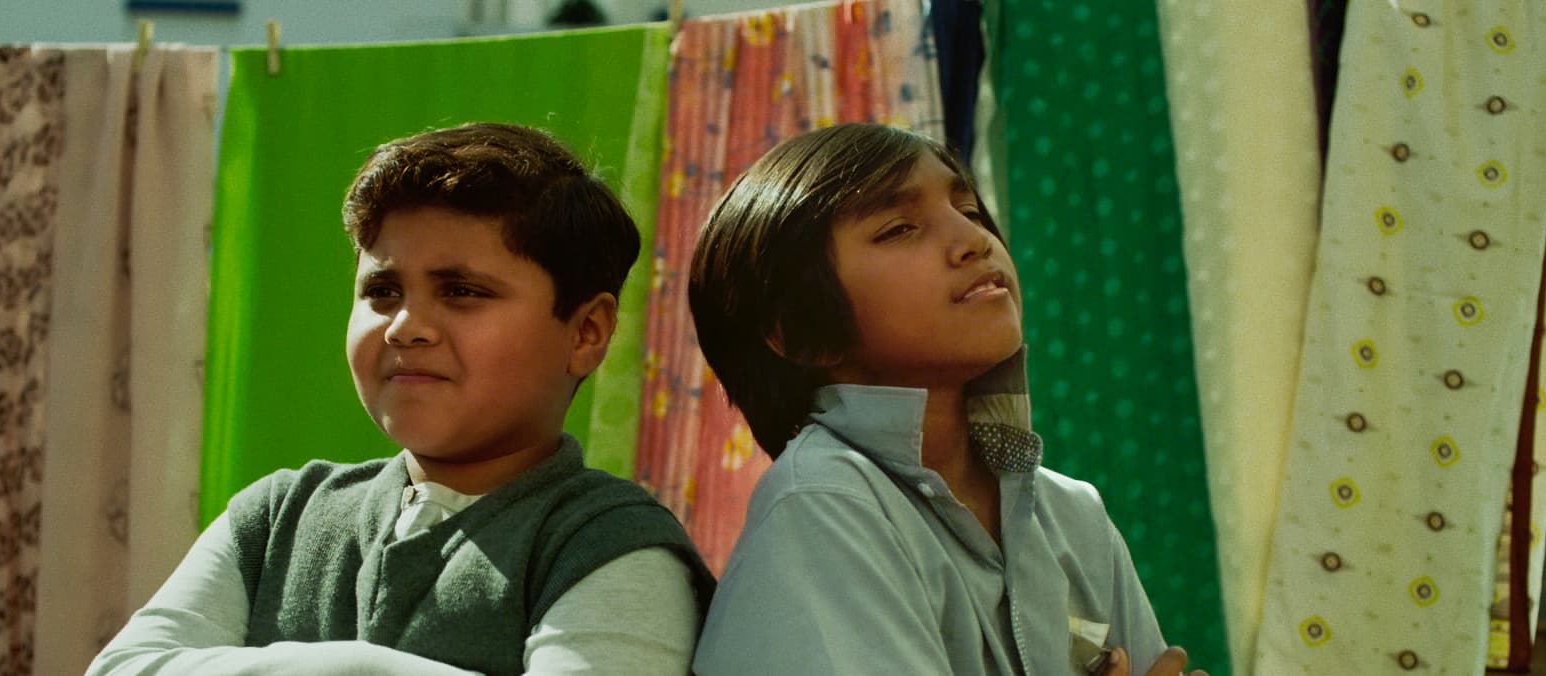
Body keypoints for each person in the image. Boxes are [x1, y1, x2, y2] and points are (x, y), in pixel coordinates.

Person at [89, 122, 713, 676]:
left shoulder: (606, 543)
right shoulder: (277, 518)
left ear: (586, 333)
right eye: (383, 292)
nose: (406, 326)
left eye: (462, 291)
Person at [686, 123, 1201, 676]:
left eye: (970, 210)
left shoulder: (1073, 514)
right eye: (900, 228)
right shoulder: (823, 506)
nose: (974, 239)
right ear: (799, 332)